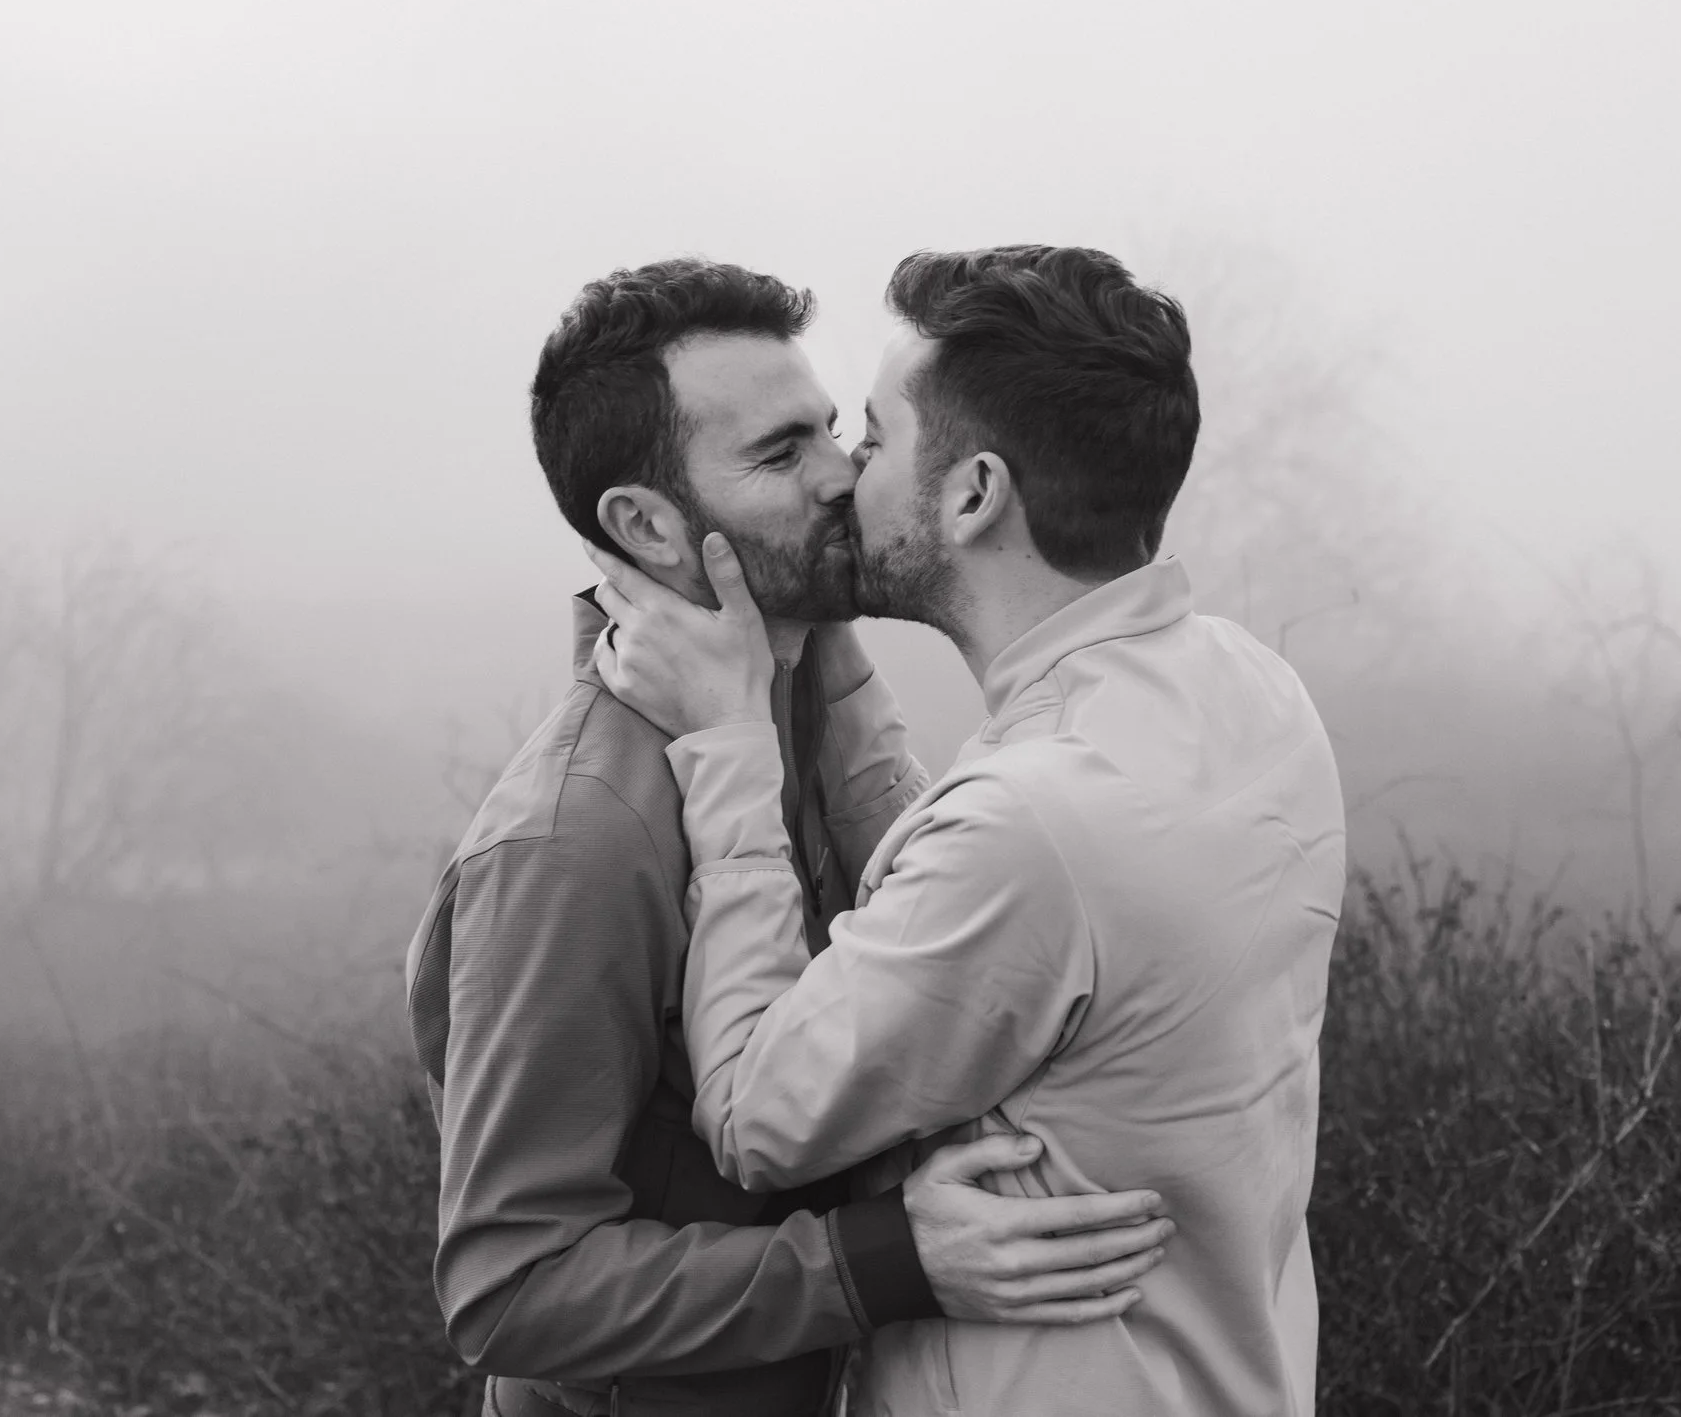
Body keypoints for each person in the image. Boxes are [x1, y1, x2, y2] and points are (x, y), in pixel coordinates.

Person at [404, 258, 1177, 1417]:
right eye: (779, 454)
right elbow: (511, 1288)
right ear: (647, 524)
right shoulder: (574, 841)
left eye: (831, 428)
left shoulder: (802, 711)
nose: (844, 475)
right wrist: (882, 1260)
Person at [588, 245, 1349, 1416]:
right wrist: (822, 660)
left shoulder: (1032, 828)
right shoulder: (1253, 694)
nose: (841, 476)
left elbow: (753, 1115)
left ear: (975, 493)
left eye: (876, 439)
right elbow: (994, 903)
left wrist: (733, 739)